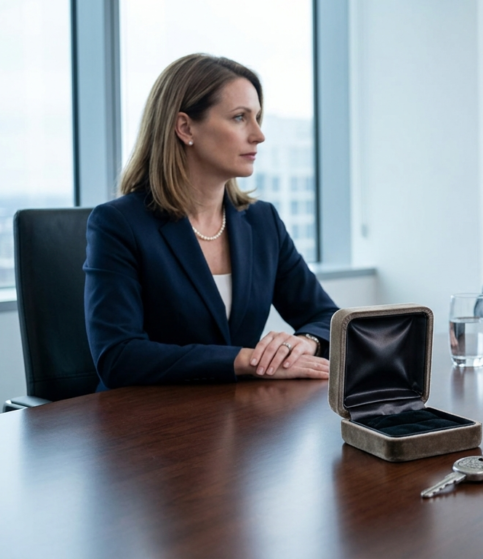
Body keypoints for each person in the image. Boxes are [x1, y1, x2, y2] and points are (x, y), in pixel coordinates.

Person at [84, 54, 337, 389]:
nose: (259, 135)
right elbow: (118, 357)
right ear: (185, 127)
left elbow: (328, 318)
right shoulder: (118, 224)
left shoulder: (262, 222)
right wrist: (248, 359)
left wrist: (305, 342)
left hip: (240, 418)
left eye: (257, 118)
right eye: (239, 118)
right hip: (145, 424)